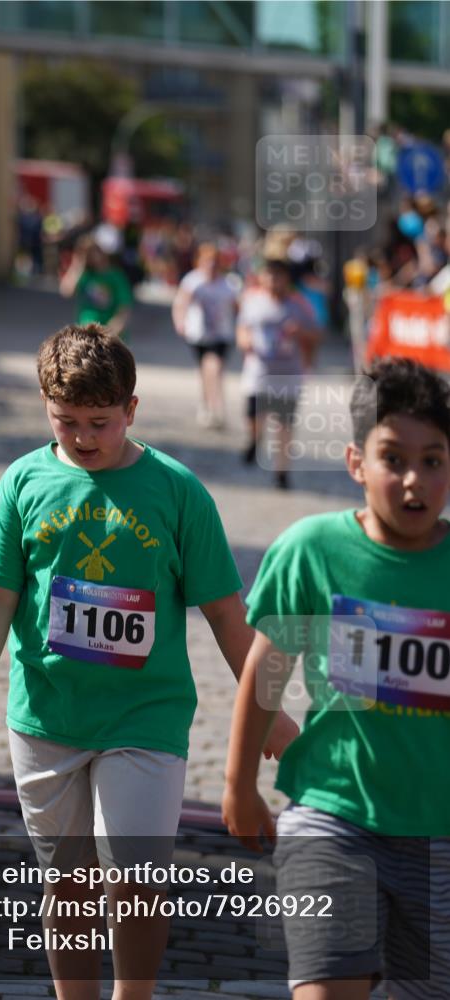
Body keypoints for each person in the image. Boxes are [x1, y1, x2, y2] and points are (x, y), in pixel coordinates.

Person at [0, 324, 298, 1000]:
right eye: (65, 421)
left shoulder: (175, 491)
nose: (82, 437)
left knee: (135, 874)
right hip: (45, 718)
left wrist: (272, 714)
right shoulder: (23, 483)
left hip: (147, 717)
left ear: (131, 410)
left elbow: (228, 614)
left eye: (99, 422)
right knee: (67, 880)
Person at [222, 358, 450, 1000]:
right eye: (393, 458)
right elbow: (267, 674)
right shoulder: (312, 551)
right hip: (333, 815)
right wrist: (240, 785)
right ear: (356, 463)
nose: (415, 479)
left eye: (434, 459)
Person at [237, 258, 320, 489]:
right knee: (254, 417)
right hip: (258, 371)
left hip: (287, 373)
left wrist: (301, 332)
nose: (274, 281)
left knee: (284, 424)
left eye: (279, 275)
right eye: (269, 275)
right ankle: (254, 439)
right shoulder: (253, 300)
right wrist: (245, 342)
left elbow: (316, 335)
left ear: (287, 279)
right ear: (262, 277)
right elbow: (242, 327)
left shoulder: (299, 304)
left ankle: (281, 472)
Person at [172, 242, 240, 429]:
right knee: (207, 370)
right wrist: (180, 322)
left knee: (215, 368)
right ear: (199, 262)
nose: (211, 265)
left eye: (214, 261)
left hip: (222, 335)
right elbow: (181, 303)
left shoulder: (229, 284)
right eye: (207, 261)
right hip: (199, 334)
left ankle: (216, 408)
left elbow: (238, 308)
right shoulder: (192, 281)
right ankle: (208, 405)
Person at [59, 235, 132, 340]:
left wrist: (118, 323)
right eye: (87, 254)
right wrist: (78, 264)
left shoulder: (115, 275)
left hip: (110, 331)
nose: (92, 256)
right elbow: (66, 291)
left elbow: (125, 305)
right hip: (86, 330)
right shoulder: (84, 275)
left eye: (94, 251)